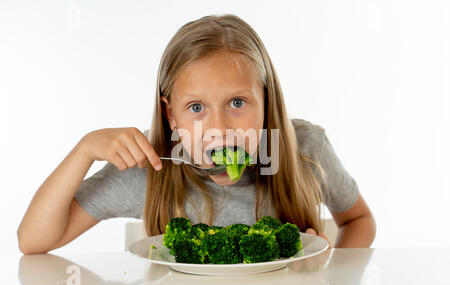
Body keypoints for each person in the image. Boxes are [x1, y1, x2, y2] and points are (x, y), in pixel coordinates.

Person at [17, 14, 376, 254]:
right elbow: (33, 241)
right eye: (196, 108)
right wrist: (82, 151)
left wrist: (328, 268)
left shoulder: (305, 149)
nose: (219, 128)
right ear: (171, 115)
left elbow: (359, 220)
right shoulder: (148, 165)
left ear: (266, 102)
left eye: (237, 102)